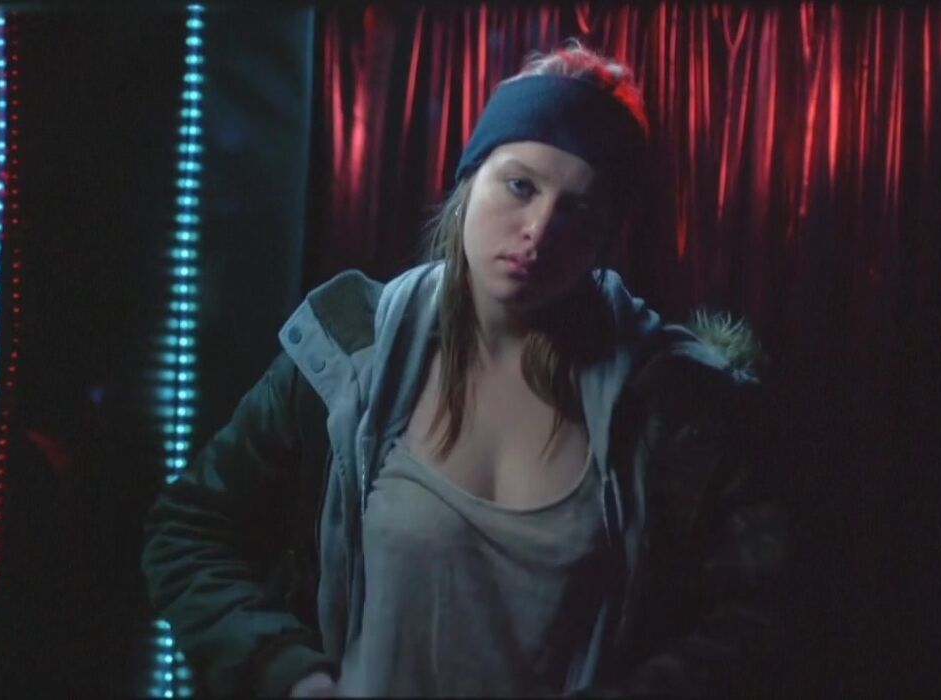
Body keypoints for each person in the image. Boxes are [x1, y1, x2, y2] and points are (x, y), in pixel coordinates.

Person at [142, 40, 786, 698]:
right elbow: (188, 532)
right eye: (520, 185)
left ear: (604, 234)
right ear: (470, 179)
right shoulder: (349, 354)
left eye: (578, 208)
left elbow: (758, 619)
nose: (539, 229)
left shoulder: (669, 403)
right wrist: (293, 675)